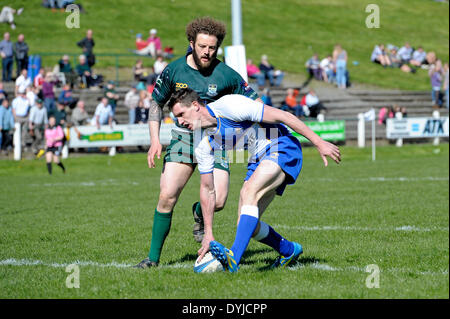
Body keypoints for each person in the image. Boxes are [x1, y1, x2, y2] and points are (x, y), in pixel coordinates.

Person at [134, 16, 261, 269]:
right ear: (191, 43)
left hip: (214, 139)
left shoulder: (226, 74)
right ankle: (152, 259)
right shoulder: (174, 70)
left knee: (220, 200)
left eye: (212, 48)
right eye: (202, 46)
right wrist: (154, 140)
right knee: (167, 195)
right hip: (182, 137)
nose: (207, 52)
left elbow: (254, 102)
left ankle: (199, 213)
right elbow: (155, 103)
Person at [167, 88, 341, 271]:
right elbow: (207, 189)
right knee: (246, 224)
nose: (179, 121)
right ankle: (289, 250)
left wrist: (319, 142)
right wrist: (208, 233)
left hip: (280, 145)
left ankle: (233, 259)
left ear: (195, 106)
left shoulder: (230, 106)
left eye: (180, 114)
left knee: (248, 192)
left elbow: (283, 116)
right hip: (257, 160)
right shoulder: (203, 144)